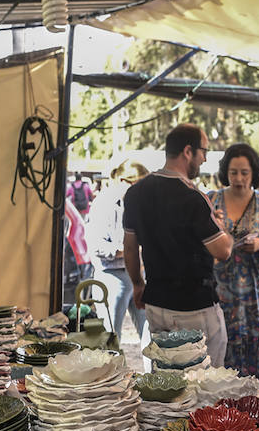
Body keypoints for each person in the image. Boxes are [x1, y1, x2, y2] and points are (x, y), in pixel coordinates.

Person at [123, 124, 232, 365]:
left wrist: (138, 285)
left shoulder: (136, 192)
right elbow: (222, 251)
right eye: (203, 151)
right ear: (187, 151)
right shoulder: (193, 197)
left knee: (165, 381)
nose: (204, 158)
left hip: (157, 302)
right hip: (195, 306)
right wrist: (223, 228)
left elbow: (130, 247)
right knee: (204, 384)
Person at [208, 143, 259, 400]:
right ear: (225, 173)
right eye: (233, 172)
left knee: (258, 353)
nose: (239, 178)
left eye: (244, 172)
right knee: (222, 355)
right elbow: (197, 242)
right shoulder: (211, 201)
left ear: (254, 173)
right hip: (220, 294)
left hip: (256, 299)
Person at [88, 159, 149, 338]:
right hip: (112, 276)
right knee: (111, 340)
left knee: (151, 336)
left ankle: (151, 367)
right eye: (139, 185)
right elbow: (96, 246)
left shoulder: (137, 203)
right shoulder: (103, 203)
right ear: (123, 182)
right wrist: (128, 249)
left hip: (138, 274)